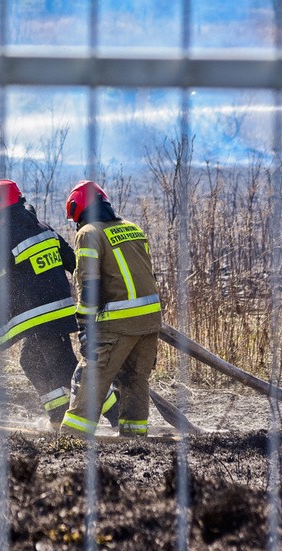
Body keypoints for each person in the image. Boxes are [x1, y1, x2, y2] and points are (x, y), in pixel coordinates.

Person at [0, 179, 119, 428]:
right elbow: (75, 263)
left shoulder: (5, 240)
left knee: (68, 371)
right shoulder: (44, 229)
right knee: (31, 361)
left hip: (41, 320)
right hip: (56, 315)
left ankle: (117, 414)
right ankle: (58, 417)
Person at [60, 180, 162, 438]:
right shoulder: (133, 229)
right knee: (134, 380)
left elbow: (89, 284)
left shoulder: (89, 233)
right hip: (149, 321)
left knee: (91, 376)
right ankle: (133, 438)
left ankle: (72, 438)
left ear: (78, 210)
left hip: (117, 323)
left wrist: (85, 327)